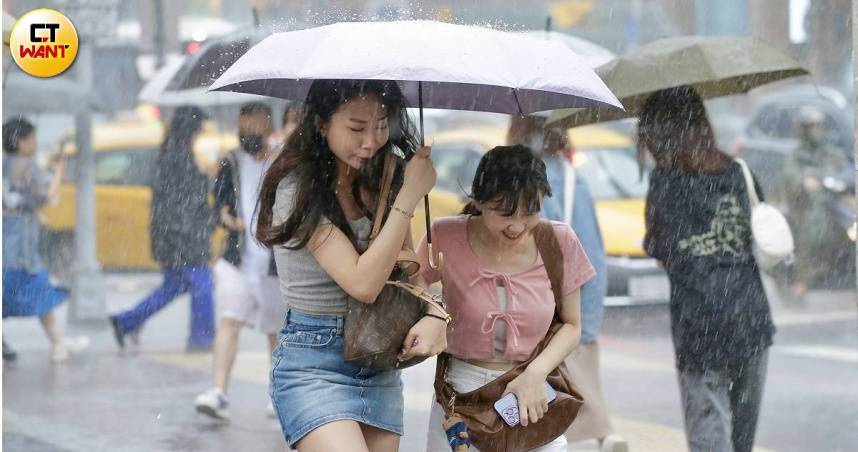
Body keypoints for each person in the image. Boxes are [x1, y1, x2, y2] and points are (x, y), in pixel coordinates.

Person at [255, 79, 446, 452]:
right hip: (313, 360)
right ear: (322, 123)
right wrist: (408, 195)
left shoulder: (385, 176)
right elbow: (363, 283)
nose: (370, 142)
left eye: (380, 127)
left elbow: (406, 271)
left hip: (378, 355)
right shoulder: (298, 188)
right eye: (357, 128)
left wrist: (436, 315)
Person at [421, 144, 595, 452]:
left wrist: (535, 374)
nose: (517, 226)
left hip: (534, 398)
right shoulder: (445, 235)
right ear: (478, 201)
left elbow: (572, 325)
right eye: (504, 213)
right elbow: (407, 293)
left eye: (530, 212)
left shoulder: (559, 240)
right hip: (462, 399)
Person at [640, 86, 775, 452]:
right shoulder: (737, 172)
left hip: (699, 323)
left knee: (709, 433)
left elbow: (659, 248)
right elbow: (762, 232)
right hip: (751, 315)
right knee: (741, 437)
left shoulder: (665, 180)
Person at [508, 115, 628, 452]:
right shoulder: (574, 177)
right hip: (576, 297)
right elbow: (591, 249)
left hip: (538, 304)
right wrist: (589, 311)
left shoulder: (520, 179)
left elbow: (537, 237)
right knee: (578, 381)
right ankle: (603, 436)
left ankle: (587, 437)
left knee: (544, 395)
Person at [195, 102, 288, 420]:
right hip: (237, 258)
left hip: (274, 261)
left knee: (276, 331)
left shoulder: (283, 159)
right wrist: (225, 216)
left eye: (254, 127)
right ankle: (218, 392)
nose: (247, 133)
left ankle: (277, 394)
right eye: (243, 127)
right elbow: (219, 206)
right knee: (229, 320)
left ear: (268, 128)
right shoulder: (231, 161)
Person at [109, 106, 216, 351]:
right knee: (202, 286)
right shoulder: (177, 158)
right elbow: (185, 203)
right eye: (198, 130)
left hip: (173, 236)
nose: (200, 134)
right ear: (191, 130)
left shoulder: (173, 154)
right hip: (184, 238)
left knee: (173, 288)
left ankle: (125, 321)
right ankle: (203, 339)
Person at [2, 117, 89, 363]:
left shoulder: (4, 165)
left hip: (7, 236)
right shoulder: (26, 167)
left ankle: (58, 342)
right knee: (36, 285)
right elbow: (47, 193)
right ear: (20, 142)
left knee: (17, 289)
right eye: (32, 138)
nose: (35, 143)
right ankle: (58, 343)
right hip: (20, 243)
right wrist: (60, 167)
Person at [780, 106, 852, 302]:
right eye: (810, 126)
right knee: (814, 230)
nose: (815, 130)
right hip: (807, 209)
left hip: (836, 207)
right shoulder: (796, 156)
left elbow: (846, 174)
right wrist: (805, 181)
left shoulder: (831, 151)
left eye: (818, 125)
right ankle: (801, 284)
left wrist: (832, 181)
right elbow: (792, 180)